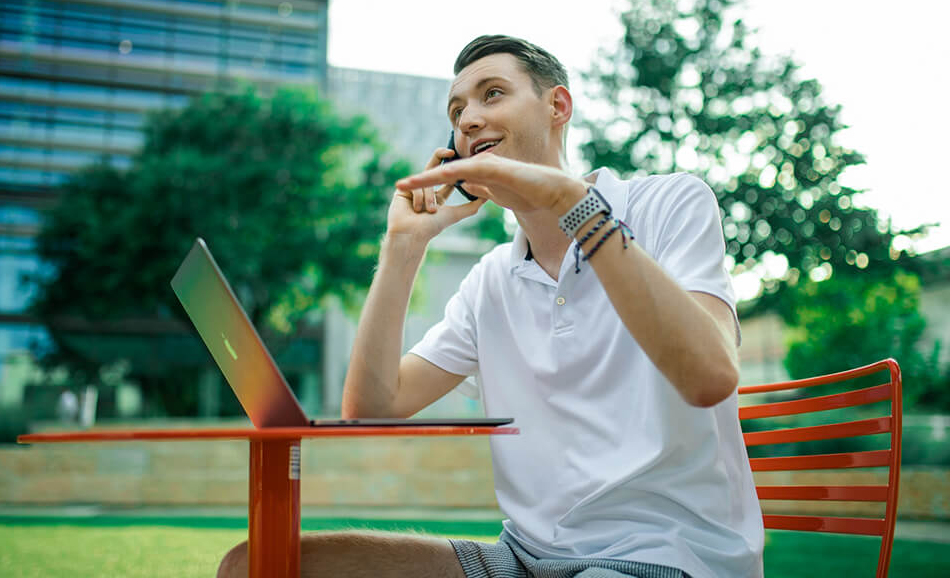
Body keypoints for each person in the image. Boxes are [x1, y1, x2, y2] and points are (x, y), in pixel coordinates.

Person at [217, 35, 763, 578]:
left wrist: (569, 204)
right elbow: (373, 406)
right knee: (255, 564)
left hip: (664, 555)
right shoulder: (490, 281)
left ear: (558, 106)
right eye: (457, 111)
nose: (469, 119)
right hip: (522, 558)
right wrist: (403, 247)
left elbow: (710, 376)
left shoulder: (670, 203)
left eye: (492, 94)